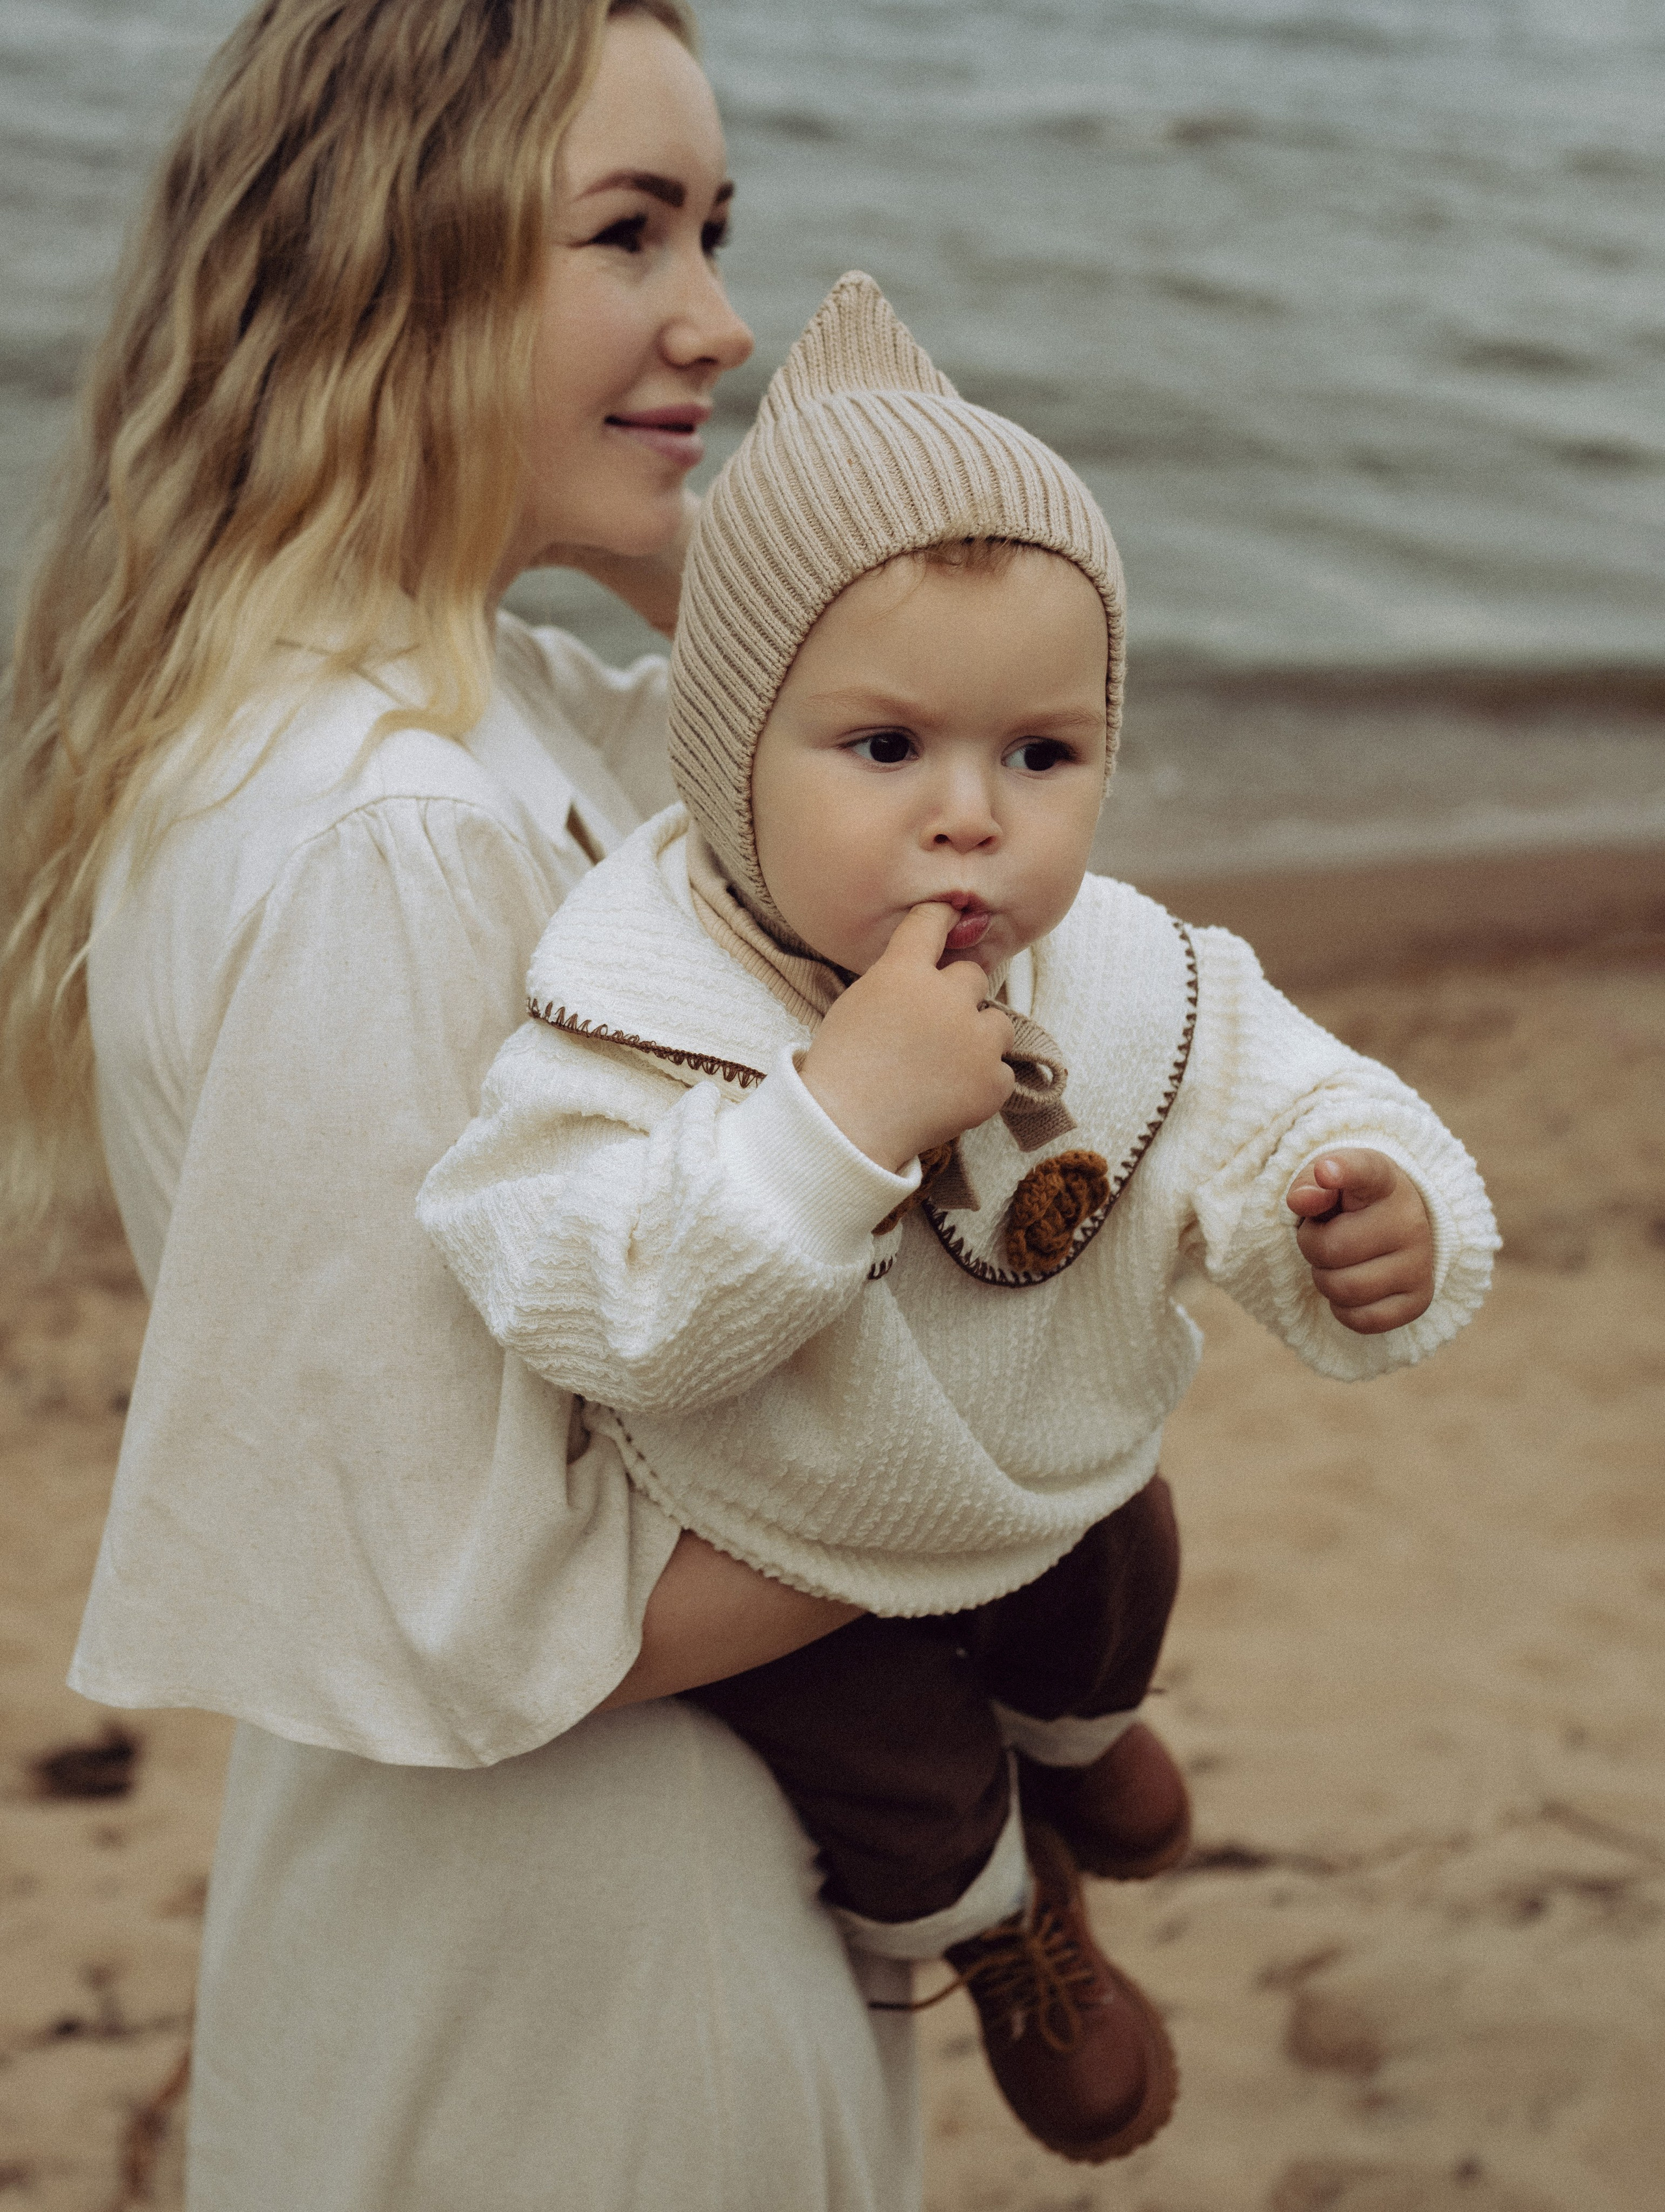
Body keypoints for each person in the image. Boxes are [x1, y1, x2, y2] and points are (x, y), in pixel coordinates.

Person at [420, 274, 1500, 2166]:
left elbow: (1289, 1092)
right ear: (731, 750)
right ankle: (1010, 1929)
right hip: (790, 1529)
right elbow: (570, 1282)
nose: (973, 821)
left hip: (1044, 1468)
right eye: (886, 749)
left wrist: (1370, 1208)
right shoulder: (635, 1000)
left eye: (1042, 755)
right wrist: (831, 1125)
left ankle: (1080, 1745)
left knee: (1124, 1579)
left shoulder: (1130, 969)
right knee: (901, 1784)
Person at [1, 9, 929, 2209]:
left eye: (714, 231)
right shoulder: (386, 827)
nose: (718, 320)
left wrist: (720, 552)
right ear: (375, 264)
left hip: (474, 1891)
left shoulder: (454, 709)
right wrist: (1003, 1471)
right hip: (594, 1963)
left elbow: (946, 814)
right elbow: (487, 1604)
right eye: (628, 233)